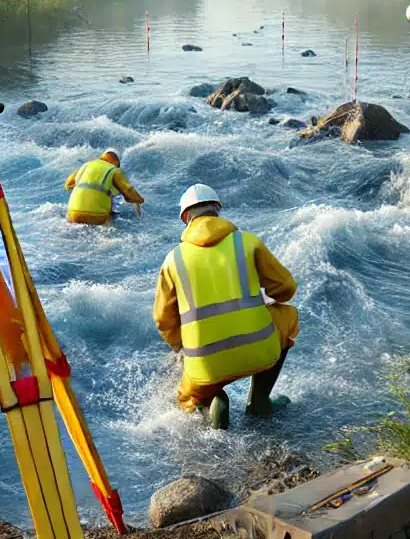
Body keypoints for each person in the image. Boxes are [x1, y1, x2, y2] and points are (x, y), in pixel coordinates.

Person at [153, 184, 298, 430]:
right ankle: (260, 400)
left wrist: (181, 344)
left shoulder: (173, 260)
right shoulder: (247, 243)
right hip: (259, 351)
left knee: (187, 395)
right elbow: (286, 289)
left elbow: (163, 321)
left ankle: (212, 402)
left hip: (206, 365)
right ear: (217, 210)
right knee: (289, 315)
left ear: (185, 217)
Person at [64, 148, 144, 224]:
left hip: (73, 215)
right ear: (116, 161)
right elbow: (128, 191)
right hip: (97, 217)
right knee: (111, 218)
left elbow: (68, 185)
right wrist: (139, 199)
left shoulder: (85, 166)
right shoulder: (114, 170)